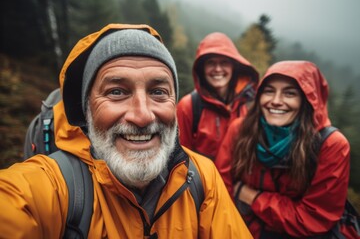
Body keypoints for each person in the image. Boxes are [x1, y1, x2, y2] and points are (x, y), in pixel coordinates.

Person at [0, 24, 252, 238]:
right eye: (116, 92)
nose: (142, 116)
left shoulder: (202, 177)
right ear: (86, 109)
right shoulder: (53, 186)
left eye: (158, 92)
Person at [215, 60, 351, 238]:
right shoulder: (240, 129)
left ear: (308, 100)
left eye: (289, 93)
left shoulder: (331, 145)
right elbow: (221, 190)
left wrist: (252, 197)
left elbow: (313, 219)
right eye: (269, 91)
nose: (276, 101)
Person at [176, 32, 259, 160]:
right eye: (211, 63)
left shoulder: (247, 105)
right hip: (202, 180)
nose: (218, 69)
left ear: (233, 67)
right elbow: (180, 158)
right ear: (201, 69)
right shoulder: (188, 106)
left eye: (224, 62)